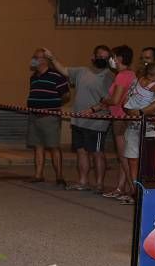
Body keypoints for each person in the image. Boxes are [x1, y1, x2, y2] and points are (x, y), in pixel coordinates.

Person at [43, 47, 112, 194]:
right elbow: (64, 70)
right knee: (81, 151)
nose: (102, 59)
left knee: (97, 153)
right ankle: (83, 181)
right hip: (78, 120)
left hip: (97, 122)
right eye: (100, 56)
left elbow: (110, 100)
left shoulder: (109, 76)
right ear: (93, 57)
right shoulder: (81, 72)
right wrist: (52, 58)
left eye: (105, 57)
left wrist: (93, 110)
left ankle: (99, 184)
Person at [25, 48, 69, 186]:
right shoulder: (33, 77)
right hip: (34, 116)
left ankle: (59, 176)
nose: (33, 59)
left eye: (36, 57)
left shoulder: (57, 76)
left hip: (50, 117)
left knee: (54, 146)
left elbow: (66, 95)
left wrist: (53, 104)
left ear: (44, 60)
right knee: (38, 146)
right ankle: (38, 175)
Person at [122, 61, 155, 201]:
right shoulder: (141, 82)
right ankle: (136, 191)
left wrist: (140, 112)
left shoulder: (152, 83)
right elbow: (125, 102)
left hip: (151, 126)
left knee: (150, 162)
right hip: (134, 126)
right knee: (133, 160)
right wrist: (133, 111)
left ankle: (149, 193)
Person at [104, 46, 136, 200]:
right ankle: (120, 188)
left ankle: (134, 191)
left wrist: (104, 100)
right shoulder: (131, 74)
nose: (112, 60)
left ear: (120, 58)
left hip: (121, 119)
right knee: (126, 156)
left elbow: (116, 100)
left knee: (124, 157)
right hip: (126, 118)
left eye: (113, 56)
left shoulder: (122, 76)